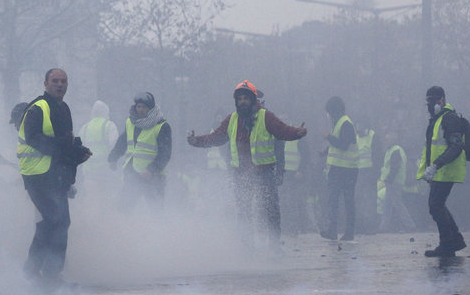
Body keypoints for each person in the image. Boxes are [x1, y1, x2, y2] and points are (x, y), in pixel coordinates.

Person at [186, 81, 306, 248]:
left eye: (246, 98)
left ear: (253, 100)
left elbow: (282, 131)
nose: (242, 101)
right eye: (239, 98)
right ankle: (247, 247)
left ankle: (274, 246)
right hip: (241, 174)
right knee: (244, 213)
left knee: (270, 211)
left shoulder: (266, 117)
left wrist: (296, 133)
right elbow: (216, 138)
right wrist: (196, 141)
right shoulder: (232, 120)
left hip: (264, 172)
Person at [18, 68, 91, 288]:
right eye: (55, 81)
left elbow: (65, 142)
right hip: (38, 176)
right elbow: (34, 138)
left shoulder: (63, 108)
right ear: (45, 83)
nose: (60, 85)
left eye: (63, 81)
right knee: (54, 221)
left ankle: (41, 274)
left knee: (58, 222)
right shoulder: (38, 108)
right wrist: (64, 148)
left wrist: (77, 153)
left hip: (56, 176)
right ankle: (40, 274)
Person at [416, 86, 467, 257]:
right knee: (438, 205)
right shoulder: (437, 119)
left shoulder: (449, 118)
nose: (430, 104)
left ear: (443, 100)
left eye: (434, 100)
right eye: (428, 101)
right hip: (439, 171)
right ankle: (455, 240)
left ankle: (448, 244)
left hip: (446, 170)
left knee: (435, 206)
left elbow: (456, 145)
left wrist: (436, 164)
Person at [107, 92, 171, 213]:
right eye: (138, 106)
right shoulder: (130, 122)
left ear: (151, 109)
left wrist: (151, 169)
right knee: (123, 210)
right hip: (132, 173)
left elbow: (165, 153)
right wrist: (113, 157)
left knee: (156, 211)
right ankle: (125, 231)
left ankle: (160, 231)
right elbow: (123, 141)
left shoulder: (162, 126)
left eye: (144, 107)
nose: (141, 110)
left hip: (153, 177)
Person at [320, 96, 358, 241]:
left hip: (346, 170)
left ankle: (348, 232)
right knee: (333, 201)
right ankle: (332, 230)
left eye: (329, 112)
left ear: (334, 111)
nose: (328, 115)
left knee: (347, 202)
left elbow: (343, 144)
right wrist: (326, 151)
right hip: (337, 169)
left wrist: (328, 137)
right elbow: (338, 145)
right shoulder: (338, 123)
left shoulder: (345, 123)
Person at [377, 131, 415, 233]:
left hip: (393, 182)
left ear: (393, 140)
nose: (386, 141)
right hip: (393, 181)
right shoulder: (394, 150)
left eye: (388, 139)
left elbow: (395, 167)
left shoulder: (395, 150)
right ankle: (383, 227)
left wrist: (388, 179)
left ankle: (410, 225)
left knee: (396, 203)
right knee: (388, 205)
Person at [79, 101, 118, 173]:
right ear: (106, 112)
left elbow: (79, 148)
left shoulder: (84, 128)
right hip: (105, 171)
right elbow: (115, 146)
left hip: (88, 171)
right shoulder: (109, 125)